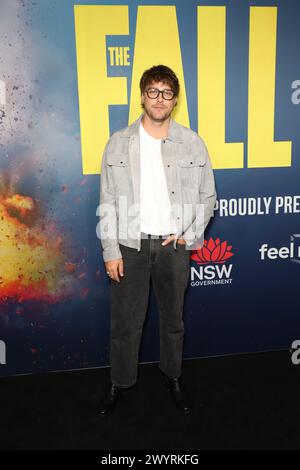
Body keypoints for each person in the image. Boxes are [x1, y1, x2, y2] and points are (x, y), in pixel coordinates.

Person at [98, 64, 216, 416]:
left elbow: (208, 196)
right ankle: (119, 382)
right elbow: (106, 200)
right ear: (142, 97)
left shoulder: (192, 142)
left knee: (173, 321)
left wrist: (189, 234)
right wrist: (110, 249)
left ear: (175, 100)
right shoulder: (118, 142)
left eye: (166, 93)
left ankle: (173, 376)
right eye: (153, 91)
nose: (159, 99)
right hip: (129, 247)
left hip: (173, 247)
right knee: (125, 324)